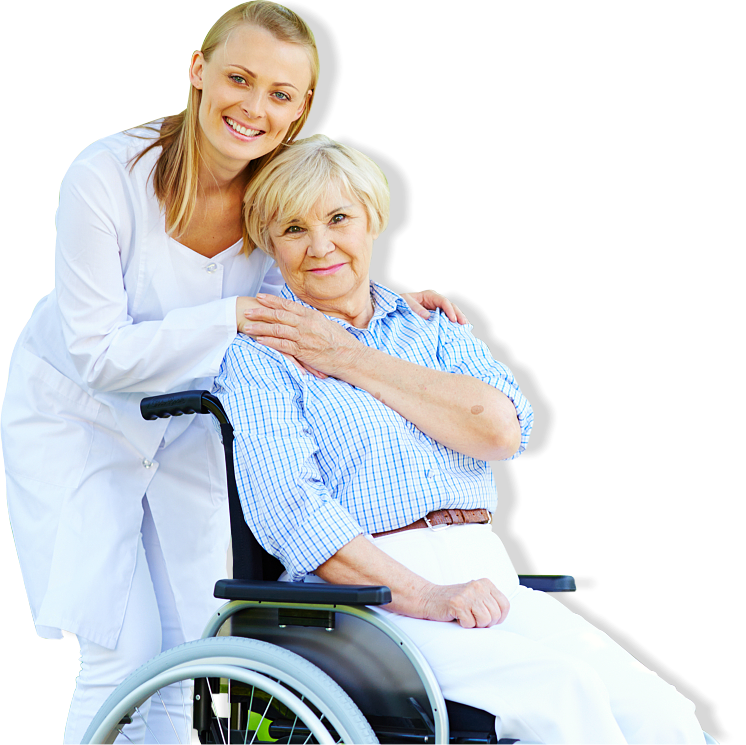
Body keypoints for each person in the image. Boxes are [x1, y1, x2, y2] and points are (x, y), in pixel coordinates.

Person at [0, 3, 464, 743]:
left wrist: (391, 306)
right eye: (238, 80)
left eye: (280, 94)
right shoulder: (107, 174)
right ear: (198, 72)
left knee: (193, 645)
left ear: (300, 108)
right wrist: (234, 318)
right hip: (77, 419)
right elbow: (96, 353)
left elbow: (319, 276)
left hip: (190, 422)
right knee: (120, 650)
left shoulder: (281, 192)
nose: (253, 108)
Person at [213, 133, 707, 745]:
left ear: (372, 219)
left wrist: (347, 357)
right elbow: (290, 511)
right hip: (363, 605)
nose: (320, 246)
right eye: (292, 228)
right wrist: (427, 595)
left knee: (663, 716)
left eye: (338, 218)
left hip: (487, 575)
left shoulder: (433, 329)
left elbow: (503, 431)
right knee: (562, 695)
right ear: (268, 241)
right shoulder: (260, 354)